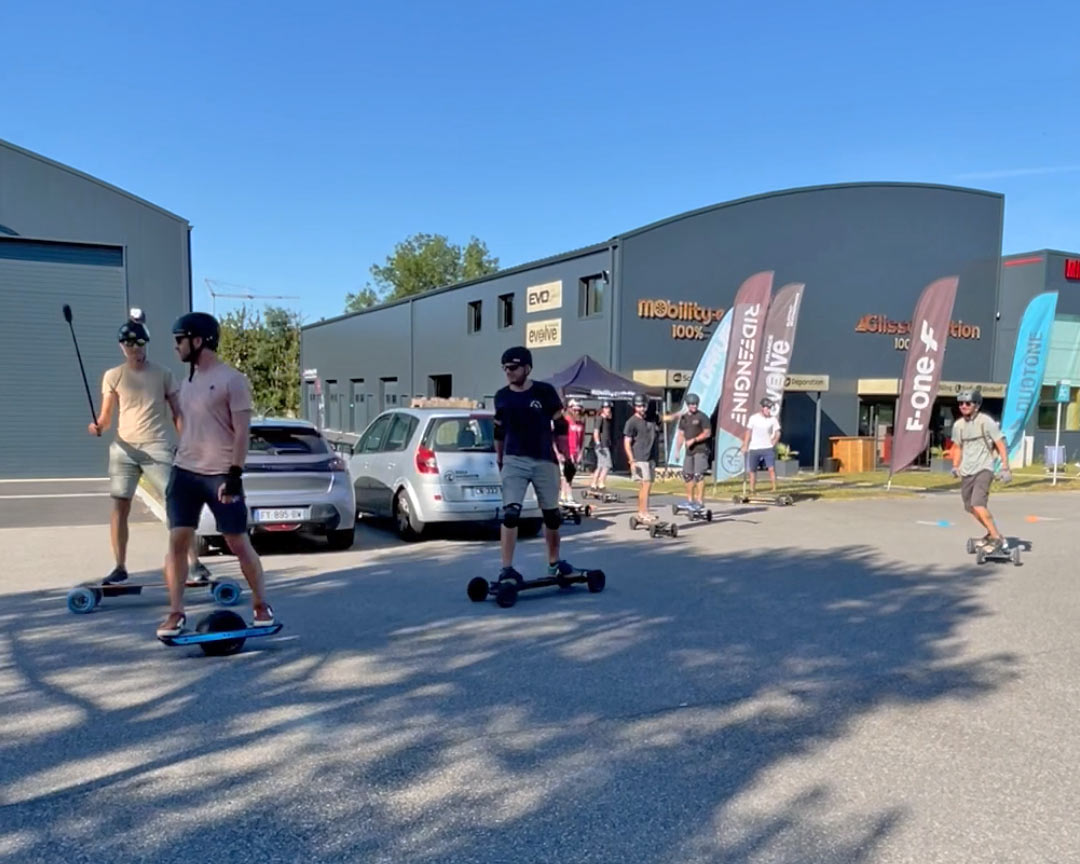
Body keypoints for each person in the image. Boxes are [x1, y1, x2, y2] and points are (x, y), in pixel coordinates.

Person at [156, 312, 274, 637]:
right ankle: (176, 613)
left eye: (179, 340)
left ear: (198, 340)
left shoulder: (232, 380)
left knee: (236, 541)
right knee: (178, 540)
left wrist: (235, 473)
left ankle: (261, 605)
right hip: (184, 473)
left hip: (221, 474)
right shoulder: (187, 382)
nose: (175, 346)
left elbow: (241, 432)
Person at [89, 311, 211, 585]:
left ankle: (194, 563)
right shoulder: (113, 376)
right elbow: (106, 416)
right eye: (130, 345)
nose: (136, 350)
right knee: (120, 505)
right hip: (124, 449)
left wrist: (189, 442)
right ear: (122, 347)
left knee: (176, 503)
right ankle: (119, 566)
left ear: (146, 344)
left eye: (141, 344)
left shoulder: (163, 374)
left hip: (156, 447)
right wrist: (97, 426)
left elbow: (178, 413)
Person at [493, 346, 577, 583]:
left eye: (513, 367)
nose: (509, 372)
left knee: (552, 516)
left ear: (527, 368)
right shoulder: (502, 396)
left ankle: (553, 564)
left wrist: (567, 457)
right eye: (505, 368)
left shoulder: (544, 392)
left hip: (543, 459)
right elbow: (498, 431)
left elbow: (561, 427)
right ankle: (506, 569)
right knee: (510, 514)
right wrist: (499, 459)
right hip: (514, 459)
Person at [950, 389, 1011, 552]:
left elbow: (1000, 444)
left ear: (976, 405)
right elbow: (957, 447)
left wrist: (1005, 466)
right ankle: (993, 533)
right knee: (970, 507)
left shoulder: (986, 422)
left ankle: (996, 538)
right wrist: (955, 466)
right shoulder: (958, 425)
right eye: (961, 403)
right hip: (966, 471)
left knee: (978, 503)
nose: (963, 406)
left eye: (967, 403)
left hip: (984, 468)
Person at [673, 393, 712, 511]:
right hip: (689, 451)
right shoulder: (684, 418)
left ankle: (699, 501)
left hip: (701, 449)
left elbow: (707, 433)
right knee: (687, 475)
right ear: (687, 405)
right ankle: (690, 500)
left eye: (695, 404)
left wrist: (694, 440)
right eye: (691, 404)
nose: (694, 406)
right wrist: (677, 451)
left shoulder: (702, 417)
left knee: (698, 475)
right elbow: (680, 435)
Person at [624, 393, 658, 522]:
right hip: (639, 457)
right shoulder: (631, 422)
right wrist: (632, 460)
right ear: (634, 406)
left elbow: (663, 420)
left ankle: (643, 511)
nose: (641, 408)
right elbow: (626, 442)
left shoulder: (650, 419)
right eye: (638, 406)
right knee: (646, 485)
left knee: (646, 486)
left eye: (643, 406)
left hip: (650, 457)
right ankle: (643, 512)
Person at [742, 398, 781, 494]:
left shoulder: (773, 419)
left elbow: (778, 432)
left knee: (771, 468)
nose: (768, 411)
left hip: (767, 447)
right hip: (754, 447)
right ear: (762, 408)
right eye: (767, 408)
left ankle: (774, 488)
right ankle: (752, 489)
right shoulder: (754, 418)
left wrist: (775, 440)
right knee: (752, 470)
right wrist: (745, 445)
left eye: (770, 409)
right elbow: (748, 432)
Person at [558, 399, 586, 505]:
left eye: (579, 411)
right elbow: (560, 438)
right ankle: (566, 496)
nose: (577, 413)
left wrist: (580, 453)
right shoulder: (565, 422)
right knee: (565, 474)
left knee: (570, 475)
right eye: (574, 410)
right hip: (566, 452)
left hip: (575, 452)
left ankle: (566, 496)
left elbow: (582, 440)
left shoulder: (581, 423)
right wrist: (562, 453)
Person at [588, 401, 614, 493]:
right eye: (606, 408)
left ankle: (593, 484)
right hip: (602, 446)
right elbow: (596, 432)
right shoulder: (600, 419)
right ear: (602, 409)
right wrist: (598, 444)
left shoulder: (607, 420)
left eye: (609, 408)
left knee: (600, 466)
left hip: (605, 444)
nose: (608, 410)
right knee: (607, 465)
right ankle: (601, 484)